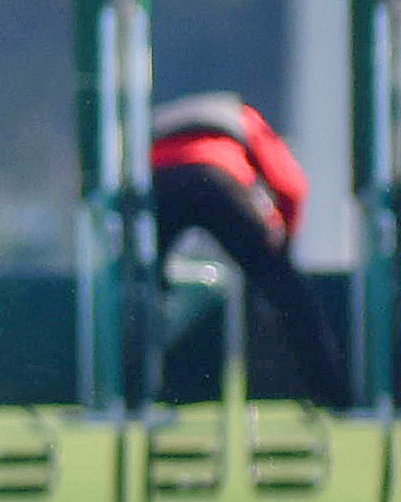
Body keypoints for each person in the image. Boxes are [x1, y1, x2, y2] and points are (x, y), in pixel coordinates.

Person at [149, 92, 350, 401]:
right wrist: (283, 244)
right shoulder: (243, 116)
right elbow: (290, 185)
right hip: (219, 181)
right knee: (288, 292)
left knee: (141, 293)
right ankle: (332, 393)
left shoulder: (156, 122)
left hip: (160, 185)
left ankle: (136, 392)